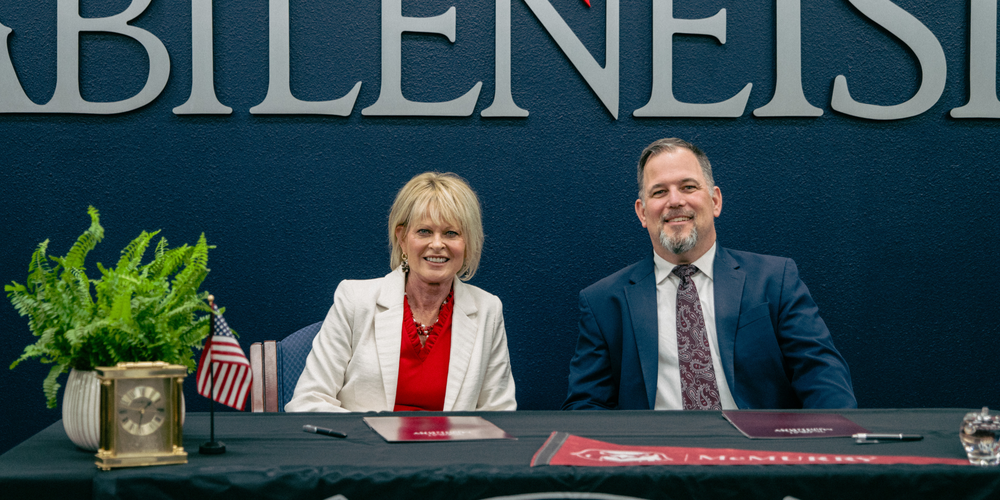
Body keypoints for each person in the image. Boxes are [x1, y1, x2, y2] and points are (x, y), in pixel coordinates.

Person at [563, 138, 856, 411]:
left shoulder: (775, 280)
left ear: (715, 201)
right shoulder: (602, 303)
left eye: (688, 187)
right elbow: (586, 410)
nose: (675, 201)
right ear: (642, 212)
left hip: (761, 458)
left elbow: (821, 376)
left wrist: (828, 453)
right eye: (659, 191)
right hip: (657, 461)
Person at [286, 172, 516, 412]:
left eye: (451, 233)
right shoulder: (354, 299)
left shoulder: (488, 309)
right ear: (402, 239)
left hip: (451, 449)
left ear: (467, 243)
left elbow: (499, 413)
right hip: (366, 446)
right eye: (424, 231)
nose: (437, 244)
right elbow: (308, 401)